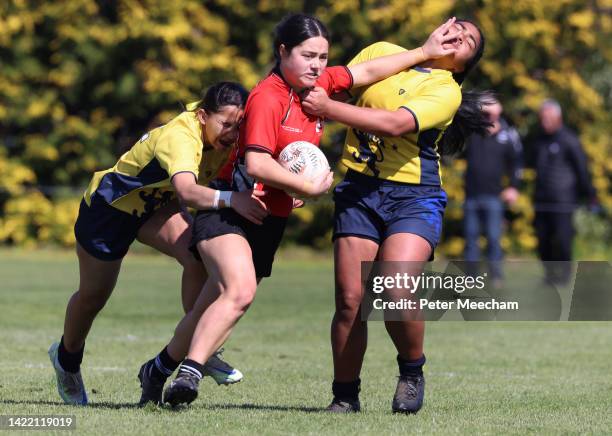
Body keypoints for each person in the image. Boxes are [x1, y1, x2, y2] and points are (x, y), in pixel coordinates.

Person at [151, 13, 463, 408]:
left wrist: (424, 50)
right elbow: (257, 165)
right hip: (232, 206)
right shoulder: (269, 97)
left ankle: (160, 368)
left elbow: (363, 71)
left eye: (322, 56)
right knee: (241, 293)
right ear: (283, 52)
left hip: (270, 214)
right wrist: (307, 185)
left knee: (214, 304)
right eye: (308, 55)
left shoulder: (319, 85)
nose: (317, 65)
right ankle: (192, 375)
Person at [300, 19, 491, 413]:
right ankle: (345, 396)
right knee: (351, 301)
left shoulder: (445, 90)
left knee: (395, 288)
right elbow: (338, 80)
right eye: (457, 28)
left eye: (468, 40)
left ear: (464, 63)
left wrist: (330, 108)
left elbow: (395, 123)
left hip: (414, 198)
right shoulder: (382, 50)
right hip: (359, 191)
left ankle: (411, 370)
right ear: (440, 29)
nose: (459, 37)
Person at [48, 82, 267, 406]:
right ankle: (66, 360)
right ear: (203, 116)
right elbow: (188, 192)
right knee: (93, 297)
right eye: (226, 124)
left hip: (155, 208)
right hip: (111, 209)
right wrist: (234, 199)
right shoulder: (180, 136)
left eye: (239, 126)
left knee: (196, 256)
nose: (233, 133)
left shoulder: (220, 124)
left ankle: (201, 351)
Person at [532, 99, 597, 286]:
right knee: (543, 240)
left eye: (547, 119)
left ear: (558, 118)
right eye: (542, 119)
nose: (544, 122)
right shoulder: (540, 140)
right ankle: (549, 275)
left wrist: (590, 195)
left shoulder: (570, 140)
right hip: (541, 199)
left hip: (563, 201)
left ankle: (565, 275)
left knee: (562, 239)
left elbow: (582, 170)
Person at [463, 98, 523, 285]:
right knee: (471, 240)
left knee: (494, 238)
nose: (488, 114)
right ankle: (470, 279)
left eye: (492, 110)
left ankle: (496, 276)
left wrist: (513, 187)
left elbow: (517, 163)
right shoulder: (473, 130)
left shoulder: (508, 134)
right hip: (471, 195)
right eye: (485, 110)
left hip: (494, 196)